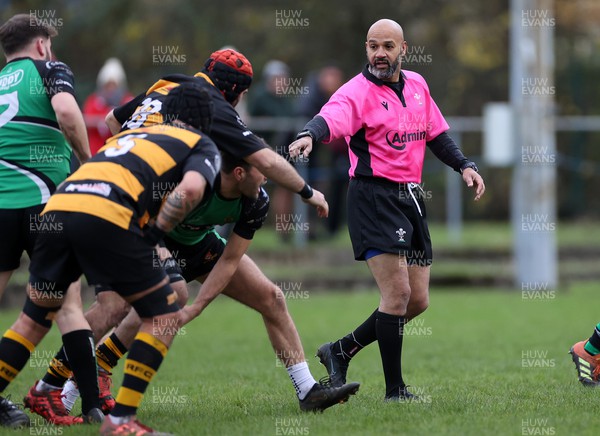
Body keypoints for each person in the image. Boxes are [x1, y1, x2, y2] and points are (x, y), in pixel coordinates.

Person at [53, 152, 359, 414]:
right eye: (260, 171)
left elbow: (228, 260)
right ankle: (55, 386)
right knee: (117, 306)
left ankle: (308, 392)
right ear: (239, 173)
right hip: (152, 238)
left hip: (198, 245)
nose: (266, 178)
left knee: (272, 298)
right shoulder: (196, 180)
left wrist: (198, 308)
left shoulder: (255, 200)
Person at [0, 82, 220, 435]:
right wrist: (155, 232)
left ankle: (71, 397)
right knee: (164, 314)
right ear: (206, 120)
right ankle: (120, 422)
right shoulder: (200, 143)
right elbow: (191, 189)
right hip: (105, 215)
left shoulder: (132, 136)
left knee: (33, 320)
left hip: (59, 208)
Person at [289, 19, 485, 401]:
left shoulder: (417, 86)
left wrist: (465, 165)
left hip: (409, 197)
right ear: (366, 49)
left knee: (417, 300)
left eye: (388, 46)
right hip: (372, 198)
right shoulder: (356, 92)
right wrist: (309, 135)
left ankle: (341, 349)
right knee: (396, 295)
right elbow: (331, 116)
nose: (380, 53)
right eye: (373, 46)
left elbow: (437, 134)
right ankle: (395, 391)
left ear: (403, 49)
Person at [0, 13, 91, 428]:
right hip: (46, 206)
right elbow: (69, 115)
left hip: (0, 205)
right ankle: (91, 406)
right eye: (48, 44)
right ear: (40, 45)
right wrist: (89, 163)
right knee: (69, 306)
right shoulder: (50, 68)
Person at [247, 60, 298, 240]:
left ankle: (284, 231)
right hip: (259, 152)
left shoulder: (286, 100)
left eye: (283, 78)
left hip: (281, 152)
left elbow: (292, 120)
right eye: (277, 78)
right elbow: (252, 121)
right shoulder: (260, 97)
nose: (281, 82)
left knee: (286, 188)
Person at [296, 64, 347, 236]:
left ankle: (312, 230)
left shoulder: (331, 96)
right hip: (296, 146)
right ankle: (296, 233)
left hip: (314, 149)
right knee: (292, 185)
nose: (335, 82)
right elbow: (307, 117)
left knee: (315, 183)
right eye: (332, 77)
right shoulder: (312, 95)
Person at [83, 58, 133, 155]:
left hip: (120, 155)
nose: (111, 89)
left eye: (113, 85)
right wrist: (104, 120)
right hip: (96, 154)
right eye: (108, 85)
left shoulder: (128, 101)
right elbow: (85, 120)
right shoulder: (94, 101)